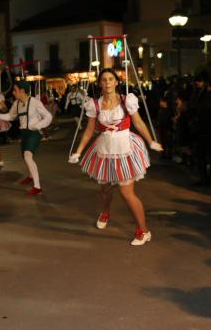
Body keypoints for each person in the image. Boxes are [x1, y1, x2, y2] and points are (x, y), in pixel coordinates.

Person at [68, 69, 163, 246]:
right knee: (105, 188)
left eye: (111, 79)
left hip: (125, 148)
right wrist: (78, 151)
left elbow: (139, 122)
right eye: (104, 80)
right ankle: (105, 212)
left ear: (116, 82)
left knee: (126, 192)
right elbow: (89, 131)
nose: (107, 82)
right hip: (104, 150)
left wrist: (151, 141)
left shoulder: (127, 100)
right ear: (99, 84)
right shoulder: (94, 104)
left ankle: (144, 231)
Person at [0, 81, 52, 195]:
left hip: (34, 133)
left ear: (22, 91)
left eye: (15, 90)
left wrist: (38, 125)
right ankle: (30, 176)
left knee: (27, 156)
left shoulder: (34, 102)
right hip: (24, 133)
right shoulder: (17, 103)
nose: (13, 93)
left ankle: (37, 186)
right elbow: (10, 116)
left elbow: (48, 116)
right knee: (25, 156)